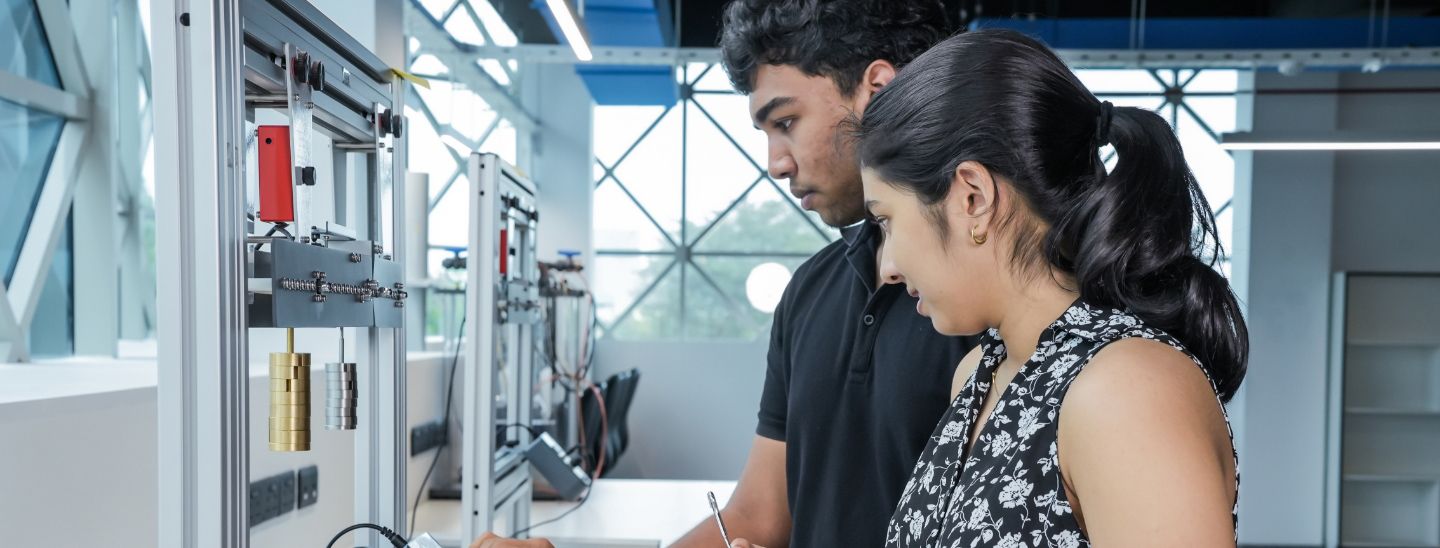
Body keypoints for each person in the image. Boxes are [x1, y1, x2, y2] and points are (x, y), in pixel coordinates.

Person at [733, 28, 1248, 548]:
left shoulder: (1127, 391)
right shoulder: (979, 374)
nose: (887, 266)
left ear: (973, 198)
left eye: (886, 221)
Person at [666, 1, 976, 547]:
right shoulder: (810, 290)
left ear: (877, 91)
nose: (776, 162)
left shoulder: (991, 302)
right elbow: (758, 518)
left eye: (786, 122)